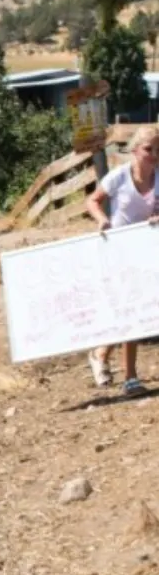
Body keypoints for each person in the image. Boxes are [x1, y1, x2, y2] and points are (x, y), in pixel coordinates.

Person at [84, 125, 159, 396]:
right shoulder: (119, 177)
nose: (153, 155)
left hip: (145, 252)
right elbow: (92, 200)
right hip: (118, 250)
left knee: (133, 311)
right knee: (131, 310)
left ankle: (101, 353)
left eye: (157, 150)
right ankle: (130, 377)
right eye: (148, 149)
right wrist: (103, 219)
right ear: (136, 150)